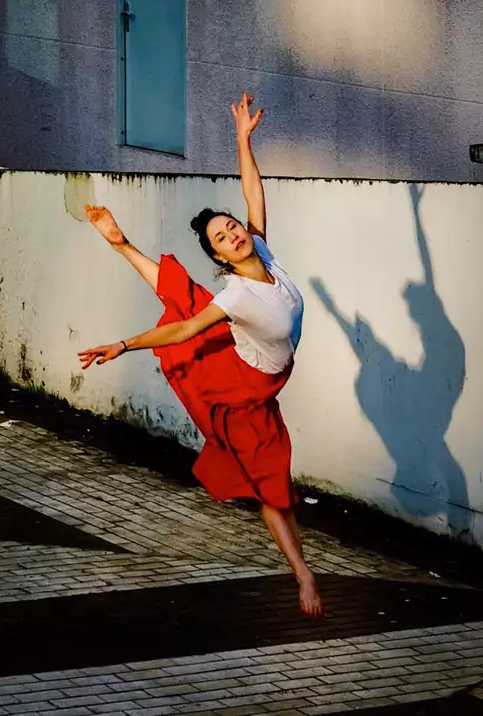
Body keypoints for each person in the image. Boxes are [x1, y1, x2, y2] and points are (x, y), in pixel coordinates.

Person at [78, 92, 321, 619]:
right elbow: (187, 325)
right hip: (242, 388)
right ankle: (302, 574)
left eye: (232, 226)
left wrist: (242, 138)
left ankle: (122, 243)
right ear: (218, 256)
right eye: (222, 238)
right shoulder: (235, 293)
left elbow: (254, 194)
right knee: (271, 488)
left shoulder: (264, 252)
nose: (234, 234)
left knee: (187, 298)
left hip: (268, 378)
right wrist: (122, 345)